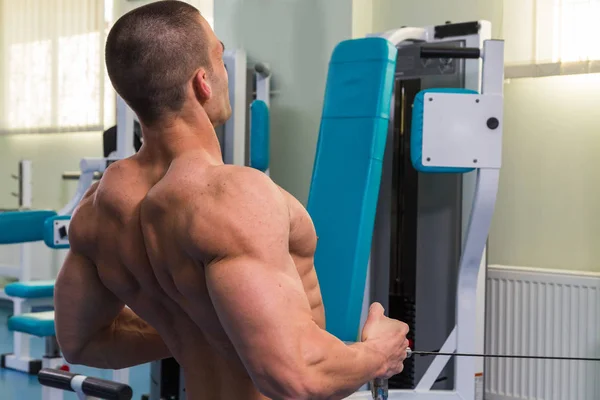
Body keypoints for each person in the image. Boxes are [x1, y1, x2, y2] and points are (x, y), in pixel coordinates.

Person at [53, 1, 410, 399]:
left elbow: (82, 342)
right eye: (220, 56)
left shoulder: (99, 208)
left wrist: (197, 328)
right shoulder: (233, 195)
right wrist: (380, 354)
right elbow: (296, 377)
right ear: (202, 82)